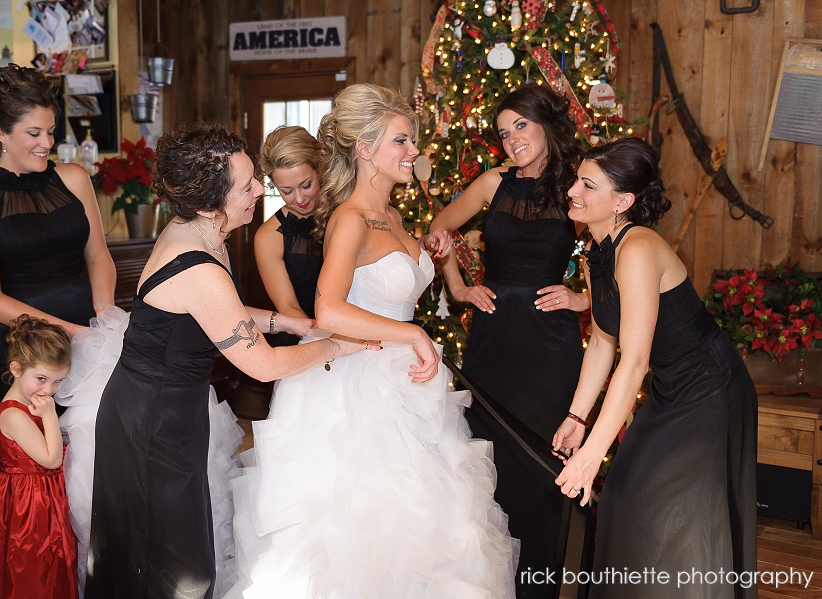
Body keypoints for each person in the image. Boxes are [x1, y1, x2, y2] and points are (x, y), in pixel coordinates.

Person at [226, 83, 518, 598]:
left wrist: (440, 259)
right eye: (401, 141)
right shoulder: (349, 219)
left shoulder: (397, 217)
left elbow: (400, 284)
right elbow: (328, 309)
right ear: (365, 149)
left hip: (407, 384)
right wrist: (410, 332)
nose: (414, 152)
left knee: (428, 526)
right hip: (357, 389)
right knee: (367, 531)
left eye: (412, 141)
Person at [85, 122, 368, 599]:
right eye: (247, 186)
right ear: (207, 202)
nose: (261, 190)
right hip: (152, 421)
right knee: (170, 563)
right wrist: (335, 346)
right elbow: (263, 366)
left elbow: (219, 315)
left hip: (166, 409)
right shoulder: (196, 261)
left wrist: (290, 323)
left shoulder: (200, 230)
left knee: (165, 548)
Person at [552, 137, 757, 598]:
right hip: (671, 387)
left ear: (623, 201)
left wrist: (590, 458)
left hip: (711, 387)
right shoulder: (595, 251)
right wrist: (576, 418)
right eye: (576, 180)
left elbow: (635, 359)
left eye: (588, 184)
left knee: (674, 510)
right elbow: (603, 343)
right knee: (626, 491)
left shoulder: (638, 248)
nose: (573, 191)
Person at [430, 84, 586, 598]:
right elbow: (440, 228)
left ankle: (537, 587)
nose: (511, 139)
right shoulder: (493, 182)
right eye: (503, 132)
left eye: (520, 125)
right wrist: (458, 287)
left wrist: (579, 300)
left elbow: (613, 264)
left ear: (544, 123)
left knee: (542, 468)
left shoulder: (578, 187)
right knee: (488, 460)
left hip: (550, 347)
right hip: (493, 343)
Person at [0, 63, 116, 463]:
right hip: (25, 348)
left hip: (85, 329)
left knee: (90, 456)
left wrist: (103, 317)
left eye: (50, 131)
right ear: (0, 132)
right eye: (34, 133)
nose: (47, 142)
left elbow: (98, 255)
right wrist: (70, 333)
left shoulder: (74, 178)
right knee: (32, 470)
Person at [0, 315, 78, 599]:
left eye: (58, 381)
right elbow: (52, 459)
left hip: (41, 495)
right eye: (41, 378)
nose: (49, 390)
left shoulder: (30, 401)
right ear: (16, 369)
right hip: (30, 505)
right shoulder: (15, 414)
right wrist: (50, 415)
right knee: (32, 566)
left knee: (52, 564)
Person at [255, 126, 324, 345]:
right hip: (303, 340)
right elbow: (289, 308)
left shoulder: (346, 213)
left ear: (319, 170)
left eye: (306, 185)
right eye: (286, 191)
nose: (299, 198)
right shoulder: (268, 237)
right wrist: (329, 343)